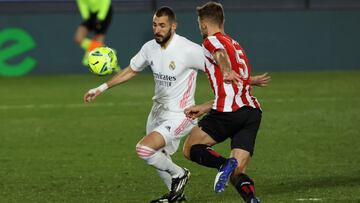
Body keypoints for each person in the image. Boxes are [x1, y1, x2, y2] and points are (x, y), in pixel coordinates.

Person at [83, 6, 269, 203]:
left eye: (162, 25)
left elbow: (219, 61)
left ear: (173, 26)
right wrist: (101, 87)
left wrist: (232, 74)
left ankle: (182, 175)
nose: (157, 30)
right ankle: (178, 196)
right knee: (157, 155)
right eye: (154, 25)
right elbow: (131, 70)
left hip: (181, 113)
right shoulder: (149, 48)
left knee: (148, 149)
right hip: (157, 111)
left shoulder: (190, 50)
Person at [182, 2, 263, 203]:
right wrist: (204, 106)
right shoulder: (235, 44)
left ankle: (223, 164)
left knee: (190, 148)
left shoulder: (211, 41)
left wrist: (225, 68)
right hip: (251, 112)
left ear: (203, 23)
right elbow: (233, 88)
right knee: (238, 172)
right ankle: (251, 199)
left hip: (229, 113)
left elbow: (219, 54)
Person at [74, 0, 113, 66]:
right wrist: (86, 17)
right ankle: (106, 50)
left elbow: (106, 2)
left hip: (105, 12)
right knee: (78, 38)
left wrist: (100, 18)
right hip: (91, 14)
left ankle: (109, 59)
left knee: (98, 39)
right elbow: (82, 4)